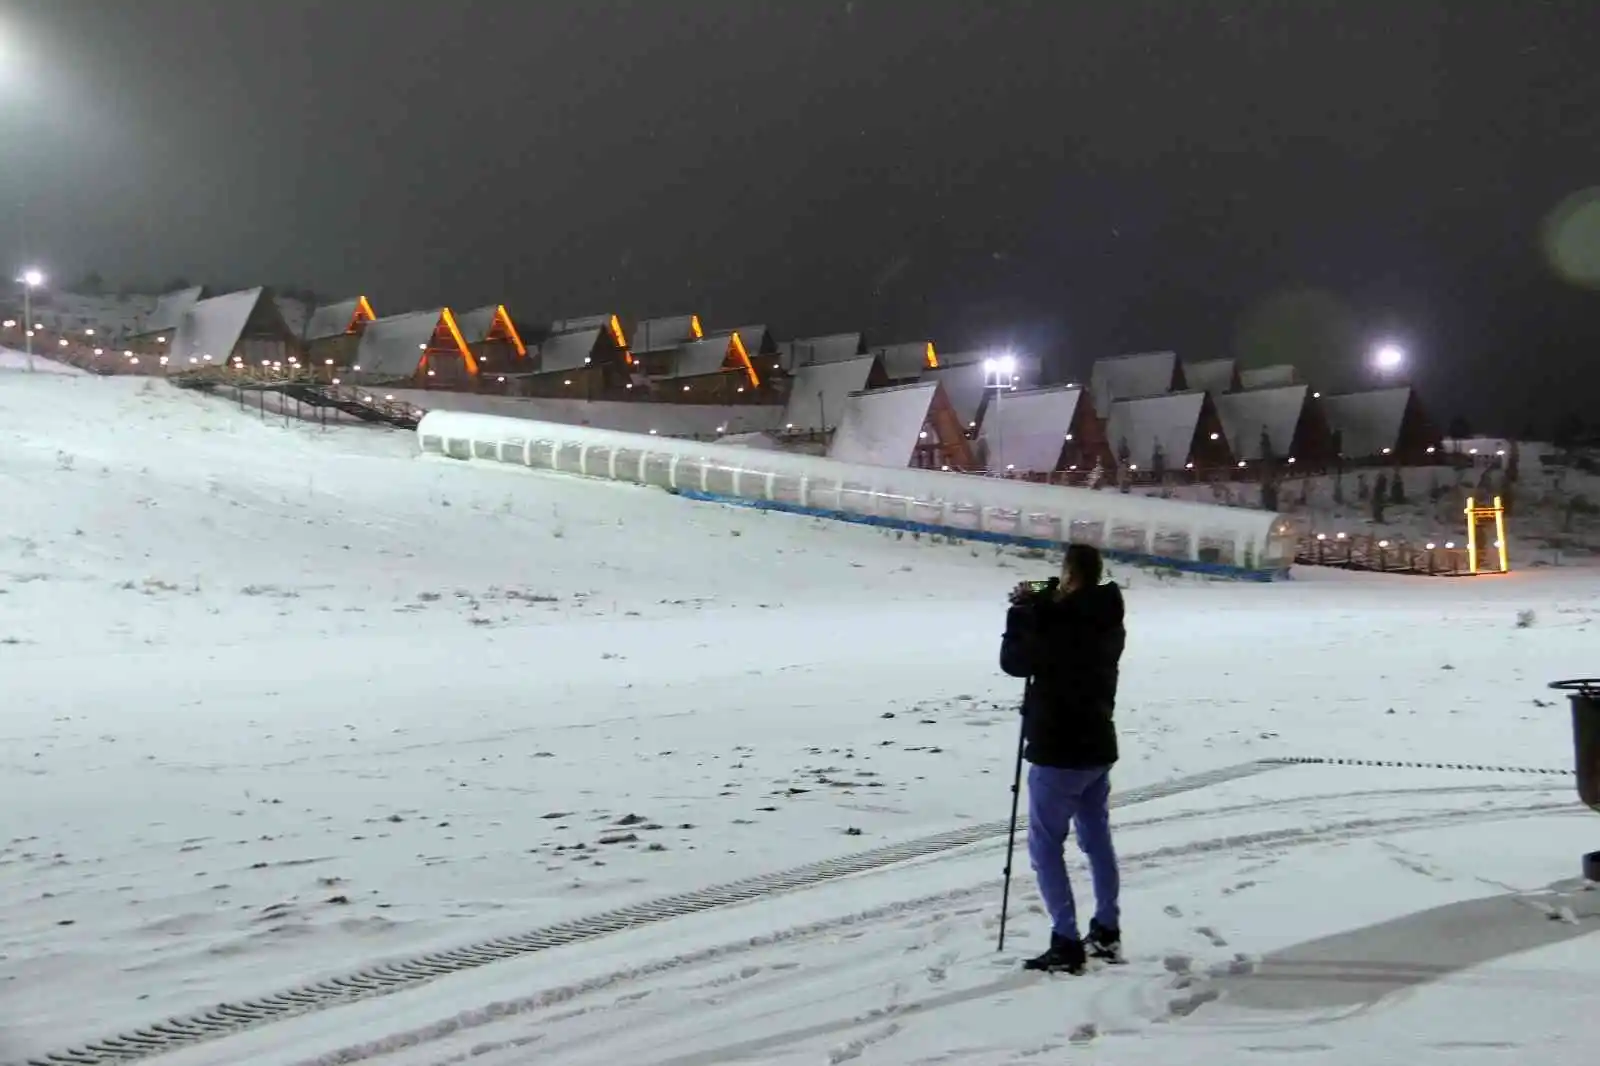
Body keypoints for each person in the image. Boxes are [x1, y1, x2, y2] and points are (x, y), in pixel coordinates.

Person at [1000, 542, 1125, 974]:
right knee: (1096, 840)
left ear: (1070, 576)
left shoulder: (1057, 623)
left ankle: (1066, 940)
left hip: (1058, 749)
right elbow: (1062, 590)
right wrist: (1038, 589)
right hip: (1098, 746)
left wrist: (1019, 611)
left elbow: (1014, 662)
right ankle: (1106, 930)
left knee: (1045, 846)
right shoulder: (1108, 611)